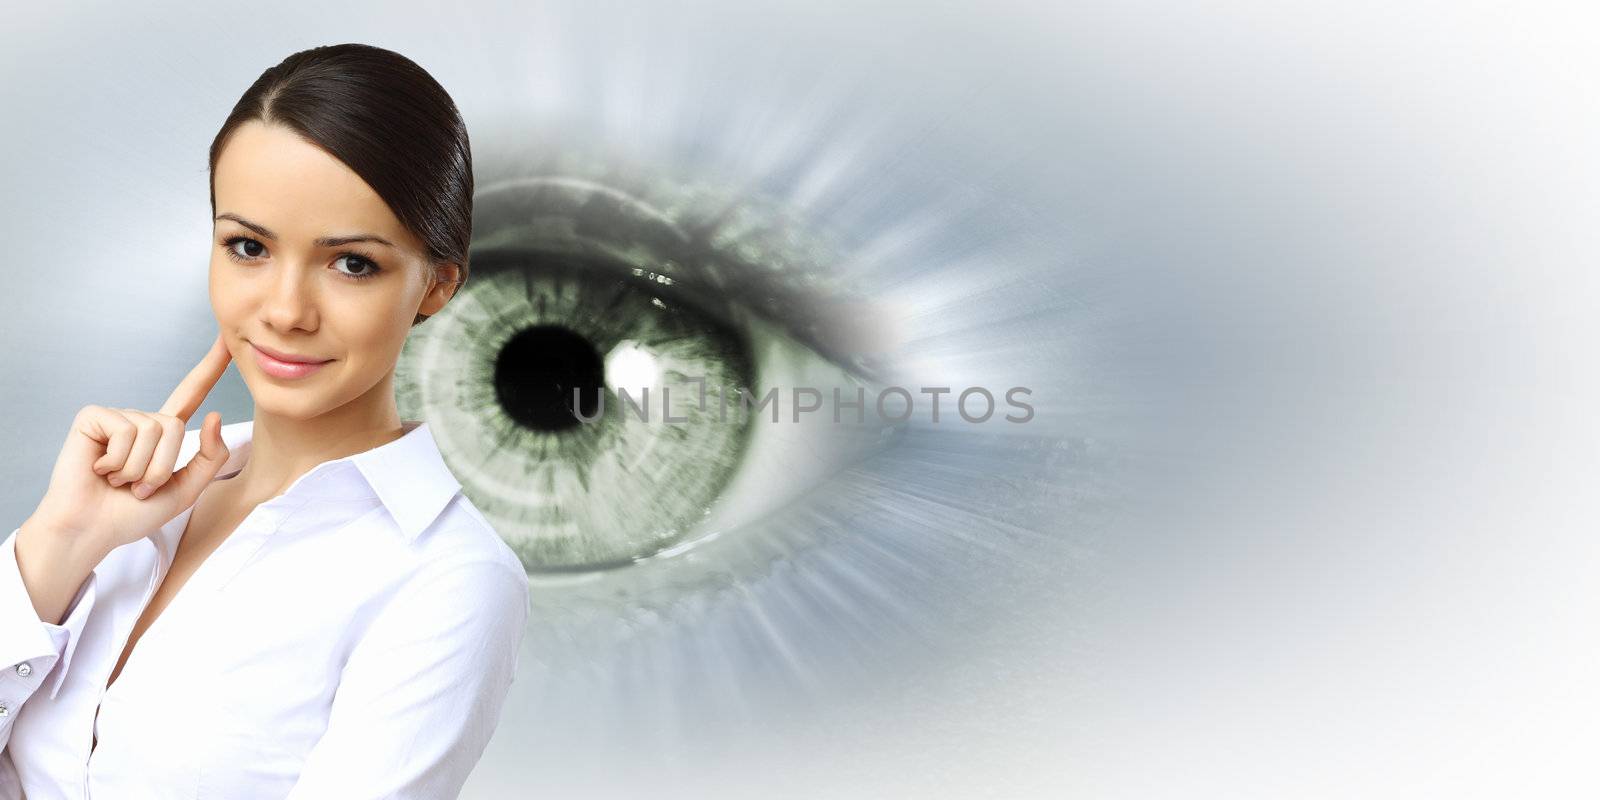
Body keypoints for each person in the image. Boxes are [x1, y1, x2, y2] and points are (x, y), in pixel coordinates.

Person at [0, 43, 529, 798]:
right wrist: (60, 546)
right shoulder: (123, 498)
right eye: (247, 247)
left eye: (351, 263)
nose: (284, 311)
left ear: (436, 285)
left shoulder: (450, 581)